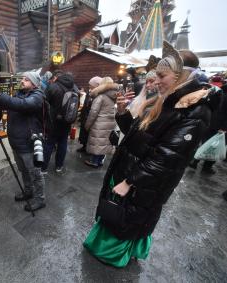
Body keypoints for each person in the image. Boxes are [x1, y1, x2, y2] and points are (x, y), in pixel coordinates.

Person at [83, 41, 221, 268]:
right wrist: (121, 113)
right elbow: (140, 135)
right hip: (134, 170)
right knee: (120, 215)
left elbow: (166, 158)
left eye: (162, 76)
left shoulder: (195, 109)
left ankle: (113, 254)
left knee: (128, 218)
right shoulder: (166, 99)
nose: (156, 81)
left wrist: (130, 181)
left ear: (181, 75)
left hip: (143, 180)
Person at [0, 72, 46, 212]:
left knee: (35, 173)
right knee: (24, 170)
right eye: (23, 78)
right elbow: (10, 105)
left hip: (29, 143)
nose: (23, 81)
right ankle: (28, 191)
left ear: (34, 83)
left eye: (27, 79)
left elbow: (23, 105)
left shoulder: (38, 96)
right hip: (17, 142)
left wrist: (0, 95)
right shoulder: (19, 94)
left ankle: (40, 199)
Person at [41, 72, 76, 174]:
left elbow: (43, 102)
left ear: (58, 77)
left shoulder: (53, 87)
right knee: (63, 143)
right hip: (67, 122)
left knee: (48, 144)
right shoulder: (74, 88)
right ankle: (59, 166)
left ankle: (43, 168)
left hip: (52, 121)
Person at [83, 77, 118, 168]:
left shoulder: (101, 97)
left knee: (98, 142)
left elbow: (93, 112)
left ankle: (94, 161)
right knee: (105, 143)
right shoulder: (114, 96)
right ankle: (100, 161)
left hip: (100, 123)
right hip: (110, 123)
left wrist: (87, 125)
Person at [77, 77, 102, 153]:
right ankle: (84, 146)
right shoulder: (89, 92)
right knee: (83, 132)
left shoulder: (99, 94)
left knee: (90, 134)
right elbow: (85, 104)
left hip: (92, 116)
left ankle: (89, 149)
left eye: (91, 85)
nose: (89, 86)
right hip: (85, 115)